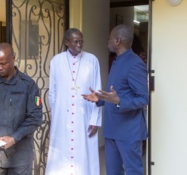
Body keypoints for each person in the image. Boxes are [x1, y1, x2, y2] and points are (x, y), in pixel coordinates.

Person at [82, 24, 148, 175]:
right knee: (112, 171)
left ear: (118, 41)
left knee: (133, 171)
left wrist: (119, 101)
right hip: (112, 130)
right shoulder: (117, 61)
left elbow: (144, 98)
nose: (108, 41)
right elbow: (117, 94)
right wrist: (99, 98)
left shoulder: (135, 63)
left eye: (110, 38)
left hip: (129, 132)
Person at [0, 42, 43, 175]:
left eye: (3, 63)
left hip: (19, 157)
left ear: (13, 58)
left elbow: (35, 118)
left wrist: (14, 138)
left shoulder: (28, 85)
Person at [46, 28, 102, 175]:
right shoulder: (56, 61)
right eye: (76, 41)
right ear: (67, 42)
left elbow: (98, 93)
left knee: (85, 155)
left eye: (81, 41)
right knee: (61, 157)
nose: (79, 45)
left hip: (85, 116)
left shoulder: (92, 60)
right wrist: (57, 115)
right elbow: (52, 93)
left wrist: (95, 120)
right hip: (62, 117)